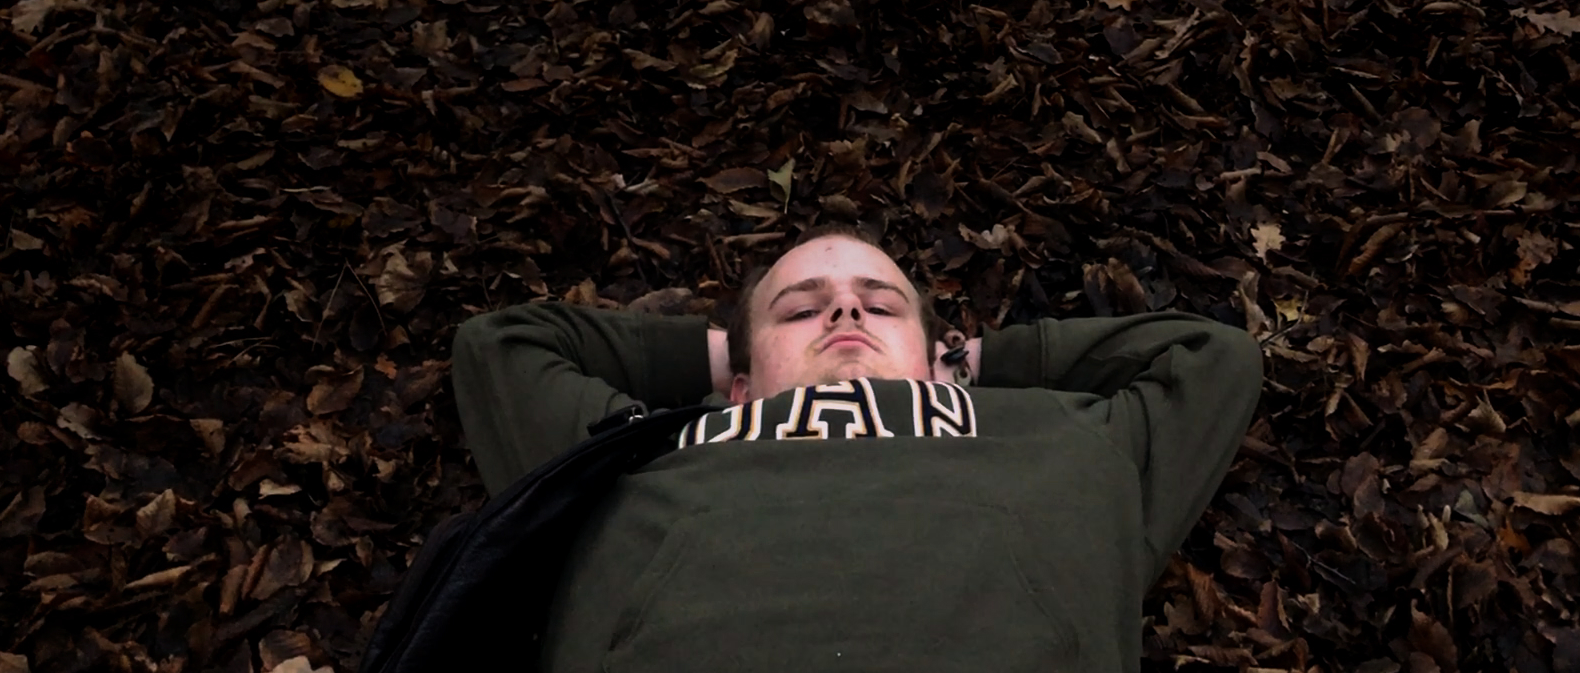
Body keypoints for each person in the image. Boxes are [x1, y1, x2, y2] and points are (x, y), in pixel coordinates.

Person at [452, 222, 1264, 672]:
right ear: (736, 381)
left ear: (940, 363)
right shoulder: (635, 450)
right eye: (801, 311)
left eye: (879, 305)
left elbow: (1209, 356)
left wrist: (965, 365)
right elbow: (501, 348)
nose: (844, 314)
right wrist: (734, 361)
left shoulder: (1059, 437)